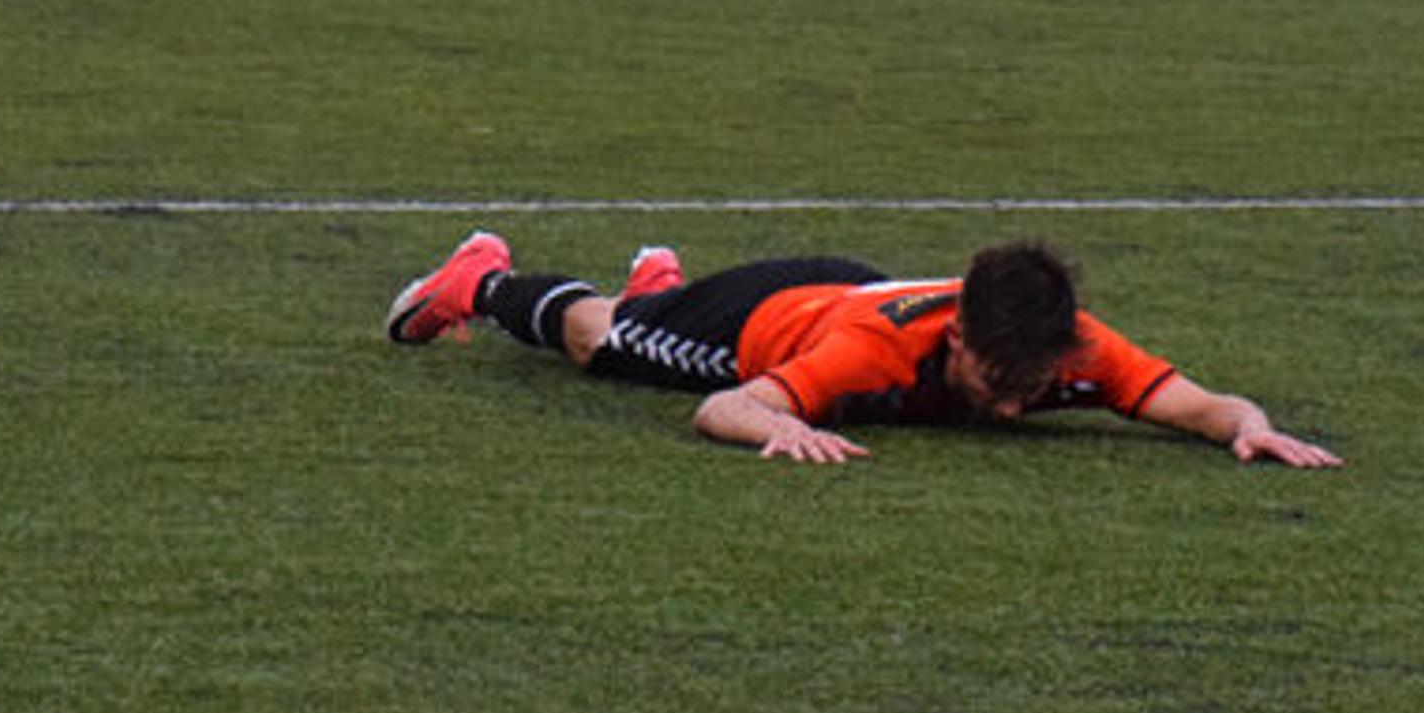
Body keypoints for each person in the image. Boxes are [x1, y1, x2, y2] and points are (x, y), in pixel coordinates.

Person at [382, 231, 1344, 469]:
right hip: (767, 318)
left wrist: (1249, 428)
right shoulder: (873, 353)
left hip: (843, 290)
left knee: (645, 325)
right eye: (997, 384)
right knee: (602, 344)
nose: (1015, 409)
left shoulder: (1072, 345)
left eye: (1032, 386)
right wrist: (781, 427)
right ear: (956, 337)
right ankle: (479, 280)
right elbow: (725, 406)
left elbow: (1200, 404)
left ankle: (659, 293)